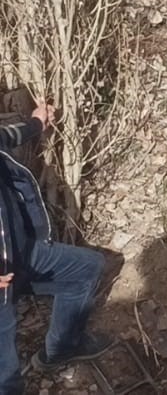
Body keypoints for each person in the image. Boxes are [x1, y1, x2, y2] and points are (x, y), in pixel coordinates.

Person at [0, 100, 113, 394]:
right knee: (6, 381)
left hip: (21, 254)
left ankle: (60, 349)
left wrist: (37, 123)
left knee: (87, 269)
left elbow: (7, 136)